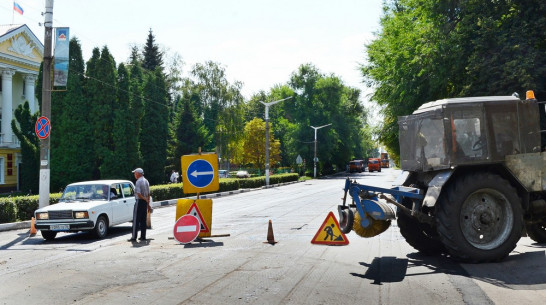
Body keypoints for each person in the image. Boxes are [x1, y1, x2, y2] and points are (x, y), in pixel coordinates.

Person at [129, 168, 151, 242]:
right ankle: (143, 236)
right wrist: (148, 204)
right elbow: (148, 194)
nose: (134, 175)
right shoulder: (146, 181)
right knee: (143, 220)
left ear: (138, 173)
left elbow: (138, 193)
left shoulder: (138, 181)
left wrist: (144, 199)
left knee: (136, 220)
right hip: (144, 203)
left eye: (135, 173)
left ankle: (134, 237)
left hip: (139, 201)